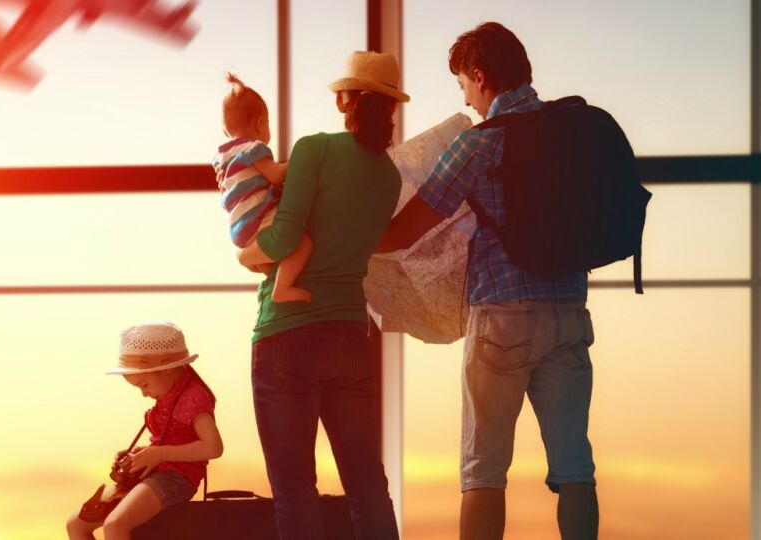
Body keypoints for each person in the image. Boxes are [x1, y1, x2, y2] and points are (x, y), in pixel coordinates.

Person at [375, 22, 599, 540]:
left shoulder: (480, 144)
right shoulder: (572, 134)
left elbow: (412, 225)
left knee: (483, 471)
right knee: (575, 468)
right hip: (569, 312)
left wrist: (350, 242)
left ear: (480, 76)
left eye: (464, 87)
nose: (469, 103)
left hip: (500, 318)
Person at [239, 50, 405, 540]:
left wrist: (248, 255)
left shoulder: (314, 150)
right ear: (389, 108)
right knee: (367, 485)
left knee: (294, 489)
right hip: (350, 334)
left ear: (345, 101)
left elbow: (285, 237)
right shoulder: (389, 177)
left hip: (287, 334)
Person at [66, 321, 223, 540]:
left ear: (166, 368)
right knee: (76, 525)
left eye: (144, 385)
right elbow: (172, 440)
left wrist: (159, 453)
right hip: (154, 472)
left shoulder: (193, 397)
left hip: (176, 478)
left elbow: (213, 447)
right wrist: (141, 455)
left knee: (115, 525)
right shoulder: (169, 393)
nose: (144, 394)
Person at [214, 71, 314, 303]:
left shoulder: (223, 157)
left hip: (240, 231)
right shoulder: (253, 148)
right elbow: (276, 175)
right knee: (304, 243)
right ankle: (282, 289)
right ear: (261, 123)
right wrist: (301, 161)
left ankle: (276, 285)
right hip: (260, 224)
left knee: (269, 261)